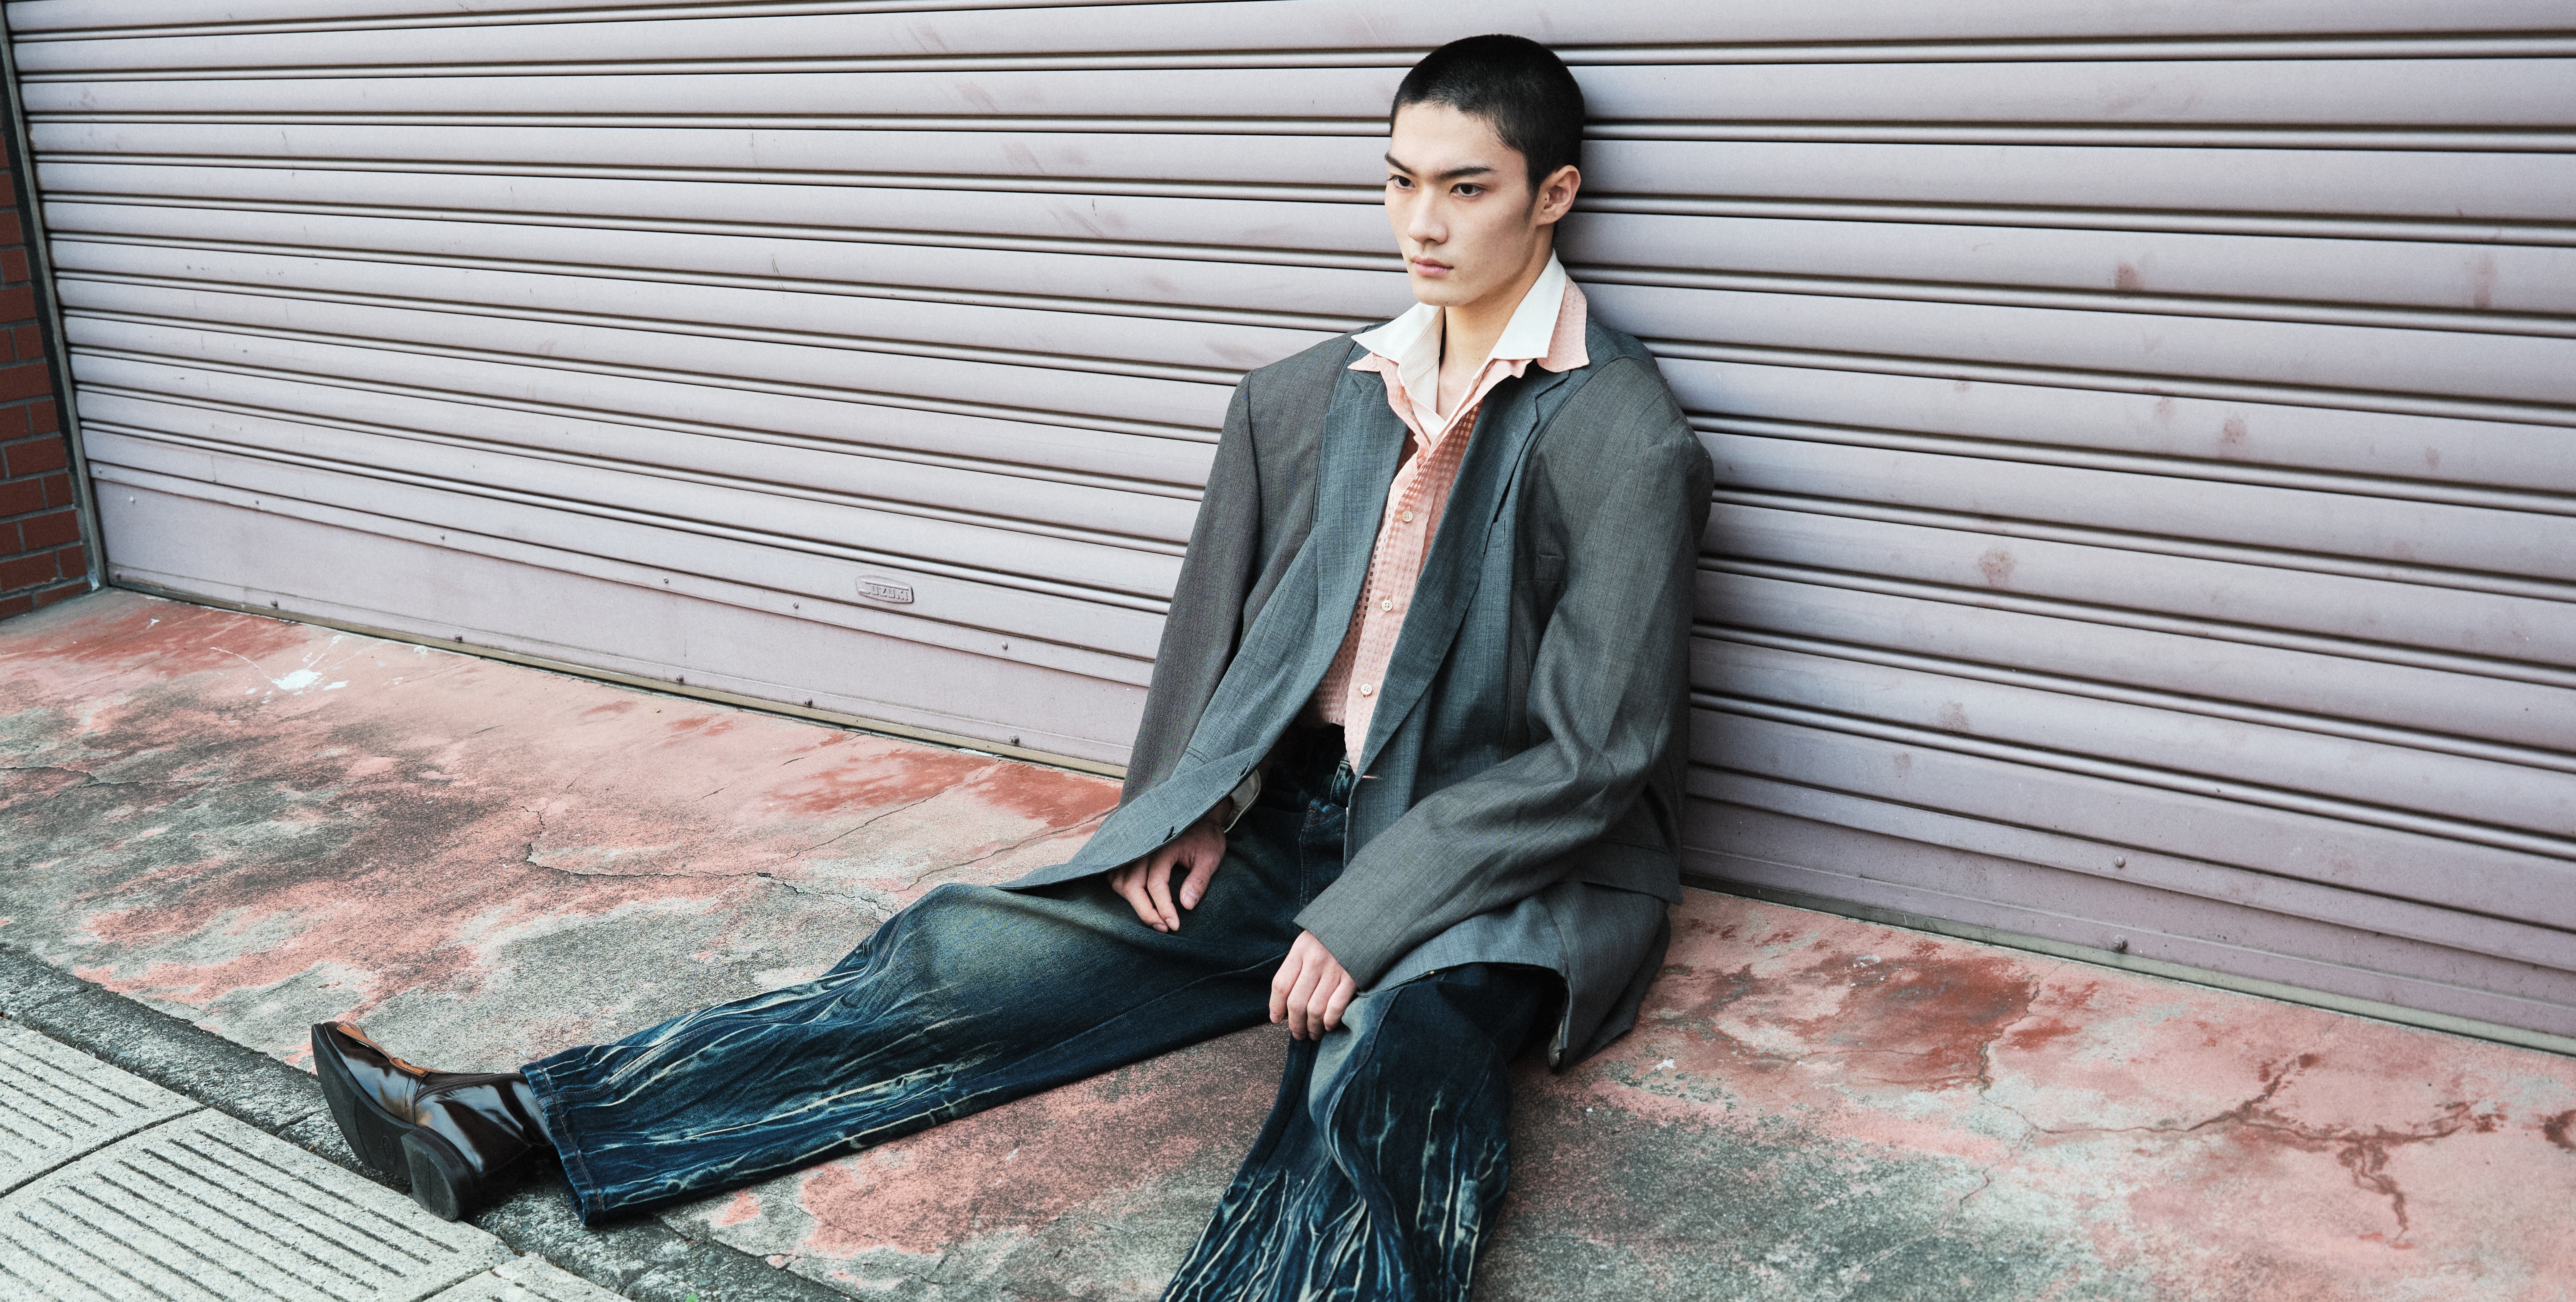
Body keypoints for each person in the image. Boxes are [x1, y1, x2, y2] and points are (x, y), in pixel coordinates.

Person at [311, 32, 1712, 1300]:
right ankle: (509, 1120)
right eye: (1401, 181)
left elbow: (1597, 754)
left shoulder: (1623, 436)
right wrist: (1184, 813)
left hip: (1501, 870)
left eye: (1466, 189)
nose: (1421, 222)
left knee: (1391, 1079)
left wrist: (1374, 917)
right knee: (965, 954)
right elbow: (1211, 643)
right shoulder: (1304, 398)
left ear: (1554, 197)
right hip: (1290, 833)